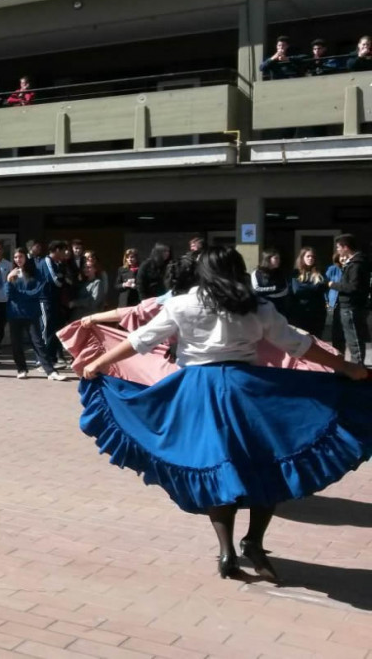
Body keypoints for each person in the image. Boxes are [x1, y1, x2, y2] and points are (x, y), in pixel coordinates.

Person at [77, 246, 371, 582]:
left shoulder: (184, 303)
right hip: (249, 390)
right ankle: (254, 542)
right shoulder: (256, 304)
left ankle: (227, 548)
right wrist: (347, 367)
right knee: (270, 463)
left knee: (216, 465)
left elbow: (142, 340)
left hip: (199, 391)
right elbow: (298, 344)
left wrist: (99, 363)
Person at [5, 248, 60, 379]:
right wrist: (8, 279)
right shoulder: (11, 273)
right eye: (16, 257)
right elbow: (8, 294)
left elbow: (38, 291)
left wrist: (20, 295)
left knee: (38, 342)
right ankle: (21, 369)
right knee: (16, 343)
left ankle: (50, 371)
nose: (18, 260)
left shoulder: (35, 272)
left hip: (31, 313)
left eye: (21, 257)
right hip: (15, 313)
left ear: (26, 257)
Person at [329, 234, 369, 366]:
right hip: (350, 306)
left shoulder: (356, 265)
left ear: (346, 247)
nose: (338, 250)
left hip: (351, 307)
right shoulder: (352, 263)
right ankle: (355, 366)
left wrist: (333, 285)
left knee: (354, 340)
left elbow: (352, 287)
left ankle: (357, 367)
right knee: (352, 338)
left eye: (339, 247)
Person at [289, 247, 327, 337]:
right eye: (308, 256)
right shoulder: (295, 273)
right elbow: (297, 290)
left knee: (317, 340)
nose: (311, 258)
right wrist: (314, 287)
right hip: (300, 312)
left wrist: (307, 288)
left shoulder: (320, 273)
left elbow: (322, 287)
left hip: (317, 313)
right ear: (302, 258)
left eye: (313, 257)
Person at [251, 248, 290, 318]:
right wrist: (274, 288)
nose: (279, 260)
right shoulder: (257, 273)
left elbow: (285, 290)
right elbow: (256, 289)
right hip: (262, 308)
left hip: (278, 308)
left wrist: (266, 293)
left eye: (279, 258)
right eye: (276, 258)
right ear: (268, 259)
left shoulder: (280, 273)